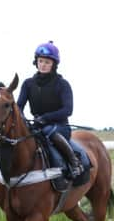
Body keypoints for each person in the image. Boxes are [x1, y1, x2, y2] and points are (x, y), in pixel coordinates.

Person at [17, 40, 83, 179]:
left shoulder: (63, 84)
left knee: (48, 132)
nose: (43, 65)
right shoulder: (28, 84)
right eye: (40, 61)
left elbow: (67, 110)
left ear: (53, 64)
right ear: (36, 62)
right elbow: (19, 107)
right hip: (37, 126)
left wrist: (45, 118)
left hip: (60, 127)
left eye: (47, 62)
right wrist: (23, 121)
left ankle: (74, 162)